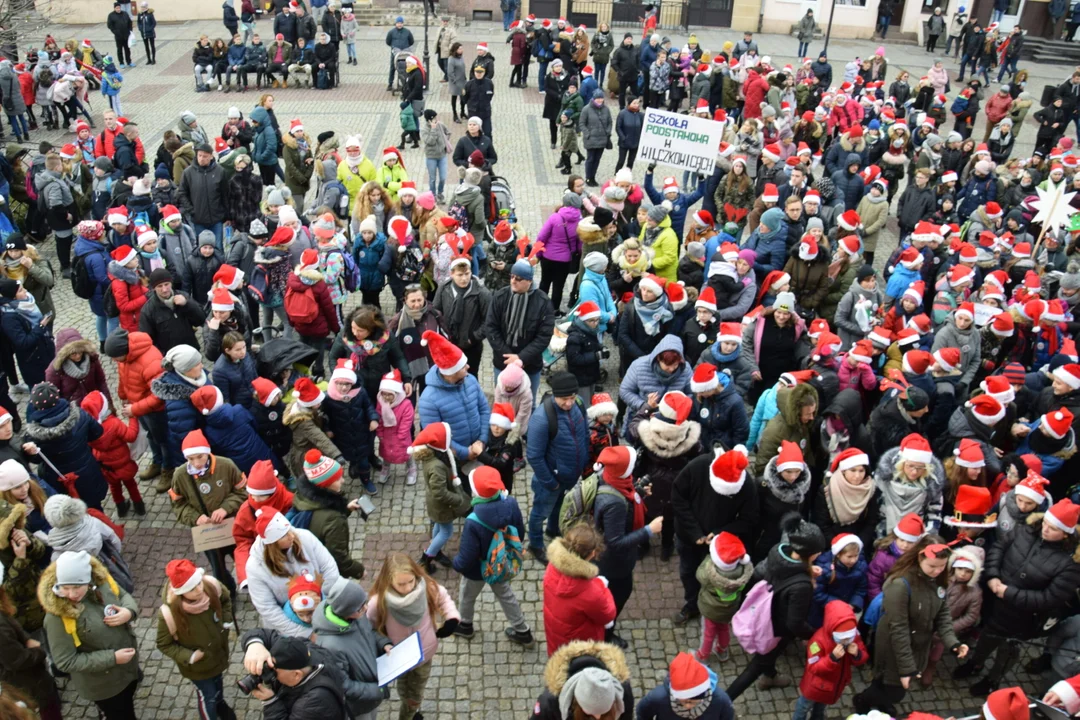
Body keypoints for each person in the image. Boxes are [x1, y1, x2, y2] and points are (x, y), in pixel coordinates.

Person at [955, 499, 1080, 695]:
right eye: (1045, 523)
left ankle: (993, 679)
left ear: (1065, 534)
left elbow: (1050, 598)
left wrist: (1008, 593)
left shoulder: (1070, 564)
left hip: (1023, 617)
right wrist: (993, 575)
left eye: (1053, 529)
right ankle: (975, 664)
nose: (1045, 530)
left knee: (1008, 650)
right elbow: (998, 548)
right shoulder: (1026, 530)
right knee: (987, 637)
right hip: (995, 604)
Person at [853, 537, 968, 714]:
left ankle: (880, 700)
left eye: (942, 566)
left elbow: (942, 612)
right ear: (919, 558)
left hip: (916, 647)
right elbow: (898, 629)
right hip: (893, 649)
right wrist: (907, 669)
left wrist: (953, 642)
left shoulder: (936, 579)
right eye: (932, 566)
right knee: (892, 689)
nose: (938, 571)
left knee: (892, 690)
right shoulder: (899, 585)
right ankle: (863, 700)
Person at [726, 514, 828, 699]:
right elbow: (794, 623)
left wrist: (807, 569)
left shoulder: (778, 551)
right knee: (756, 666)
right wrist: (814, 635)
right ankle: (725, 700)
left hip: (767, 610)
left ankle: (770, 675)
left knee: (767, 659)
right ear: (810, 553)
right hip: (776, 627)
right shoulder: (802, 586)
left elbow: (787, 569)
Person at [40, 550, 141, 719]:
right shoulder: (57, 618)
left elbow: (122, 595)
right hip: (104, 684)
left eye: (77, 587)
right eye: (66, 588)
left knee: (127, 705)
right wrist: (112, 658)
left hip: (127, 670)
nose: (72, 594)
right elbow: (66, 661)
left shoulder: (101, 580)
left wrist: (129, 612)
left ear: (88, 581)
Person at [670, 446, 759, 625]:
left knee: (713, 578)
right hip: (687, 536)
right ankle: (692, 604)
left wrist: (720, 533)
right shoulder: (698, 466)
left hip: (718, 545)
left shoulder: (746, 485)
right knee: (688, 572)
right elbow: (678, 497)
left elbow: (749, 519)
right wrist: (694, 531)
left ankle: (711, 608)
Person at [366, 553, 459, 720]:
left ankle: (409, 712)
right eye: (401, 584)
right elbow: (369, 630)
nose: (408, 588)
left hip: (424, 654)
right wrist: (383, 644)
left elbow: (443, 598)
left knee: (415, 695)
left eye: (411, 581)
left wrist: (451, 617)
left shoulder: (426, 587)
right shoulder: (378, 603)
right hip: (398, 658)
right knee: (405, 690)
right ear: (389, 581)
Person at [452, 466, 534, 645]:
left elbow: (467, 558)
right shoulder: (511, 503)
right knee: (505, 594)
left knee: (467, 596)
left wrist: (455, 564)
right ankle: (522, 630)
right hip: (500, 563)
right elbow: (519, 534)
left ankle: (465, 625)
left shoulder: (473, 521)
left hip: (477, 571)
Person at [155, 558, 235, 720]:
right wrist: (189, 657)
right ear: (180, 592)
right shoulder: (169, 614)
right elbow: (164, 644)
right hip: (198, 667)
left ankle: (220, 703)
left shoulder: (210, 587)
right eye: (191, 589)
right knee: (207, 696)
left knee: (218, 684)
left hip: (218, 655)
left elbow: (225, 599)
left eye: (198, 583)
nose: (199, 590)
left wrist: (226, 620)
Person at [245, 507, 341, 637]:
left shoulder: (305, 537)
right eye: (284, 535)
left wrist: (322, 602)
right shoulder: (255, 567)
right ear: (272, 543)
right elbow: (267, 608)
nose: (292, 535)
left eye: (289, 529)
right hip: (290, 625)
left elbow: (329, 568)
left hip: (322, 609)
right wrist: (306, 634)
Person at [526, 371, 589, 563]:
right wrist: (551, 483)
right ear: (554, 395)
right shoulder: (542, 418)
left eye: (571, 397)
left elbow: (584, 432)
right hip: (551, 480)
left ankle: (553, 530)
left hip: (570, 476)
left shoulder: (578, 403)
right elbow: (534, 456)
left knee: (560, 506)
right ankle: (535, 544)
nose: (569, 403)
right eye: (564, 399)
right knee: (539, 514)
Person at [542, 522, 616, 655]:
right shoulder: (591, 591)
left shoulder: (552, 567)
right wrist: (601, 586)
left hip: (556, 635)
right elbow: (608, 614)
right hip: (580, 645)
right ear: (592, 553)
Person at [484, 259, 556, 396]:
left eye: (519, 278)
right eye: (512, 277)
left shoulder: (543, 302)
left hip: (530, 365)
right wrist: (508, 355)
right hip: (503, 362)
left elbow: (543, 336)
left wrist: (521, 358)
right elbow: (491, 328)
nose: (513, 281)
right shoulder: (500, 297)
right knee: (503, 402)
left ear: (529, 281)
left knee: (528, 404)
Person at [239, 632, 350, 717]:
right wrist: (255, 644)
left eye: (274, 668)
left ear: (296, 674)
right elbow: (266, 634)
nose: (269, 669)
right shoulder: (304, 649)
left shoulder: (312, 703)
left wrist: (271, 702)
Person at [636, 652, 735, 720]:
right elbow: (642, 713)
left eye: (692, 702)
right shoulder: (658, 698)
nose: (688, 706)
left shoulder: (721, 701)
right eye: (684, 701)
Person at [385, 16, 414, 91]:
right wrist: (394, 47)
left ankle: (407, 82)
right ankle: (390, 84)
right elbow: (388, 41)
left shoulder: (407, 32)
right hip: (395, 54)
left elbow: (411, 41)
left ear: (403, 24)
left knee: (406, 68)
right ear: (396, 23)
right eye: (398, 23)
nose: (399, 24)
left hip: (405, 53)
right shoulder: (391, 32)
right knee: (393, 68)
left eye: (401, 23)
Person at [107, 1, 134, 67]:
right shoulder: (111, 15)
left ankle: (129, 61)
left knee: (127, 49)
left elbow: (129, 22)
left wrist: (130, 30)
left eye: (119, 8)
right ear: (114, 8)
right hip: (118, 36)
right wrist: (115, 32)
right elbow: (110, 25)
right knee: (119, 50)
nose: (118, 9)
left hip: (126, 35)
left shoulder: (125, 14)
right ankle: (121, 63)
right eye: (117, 8)